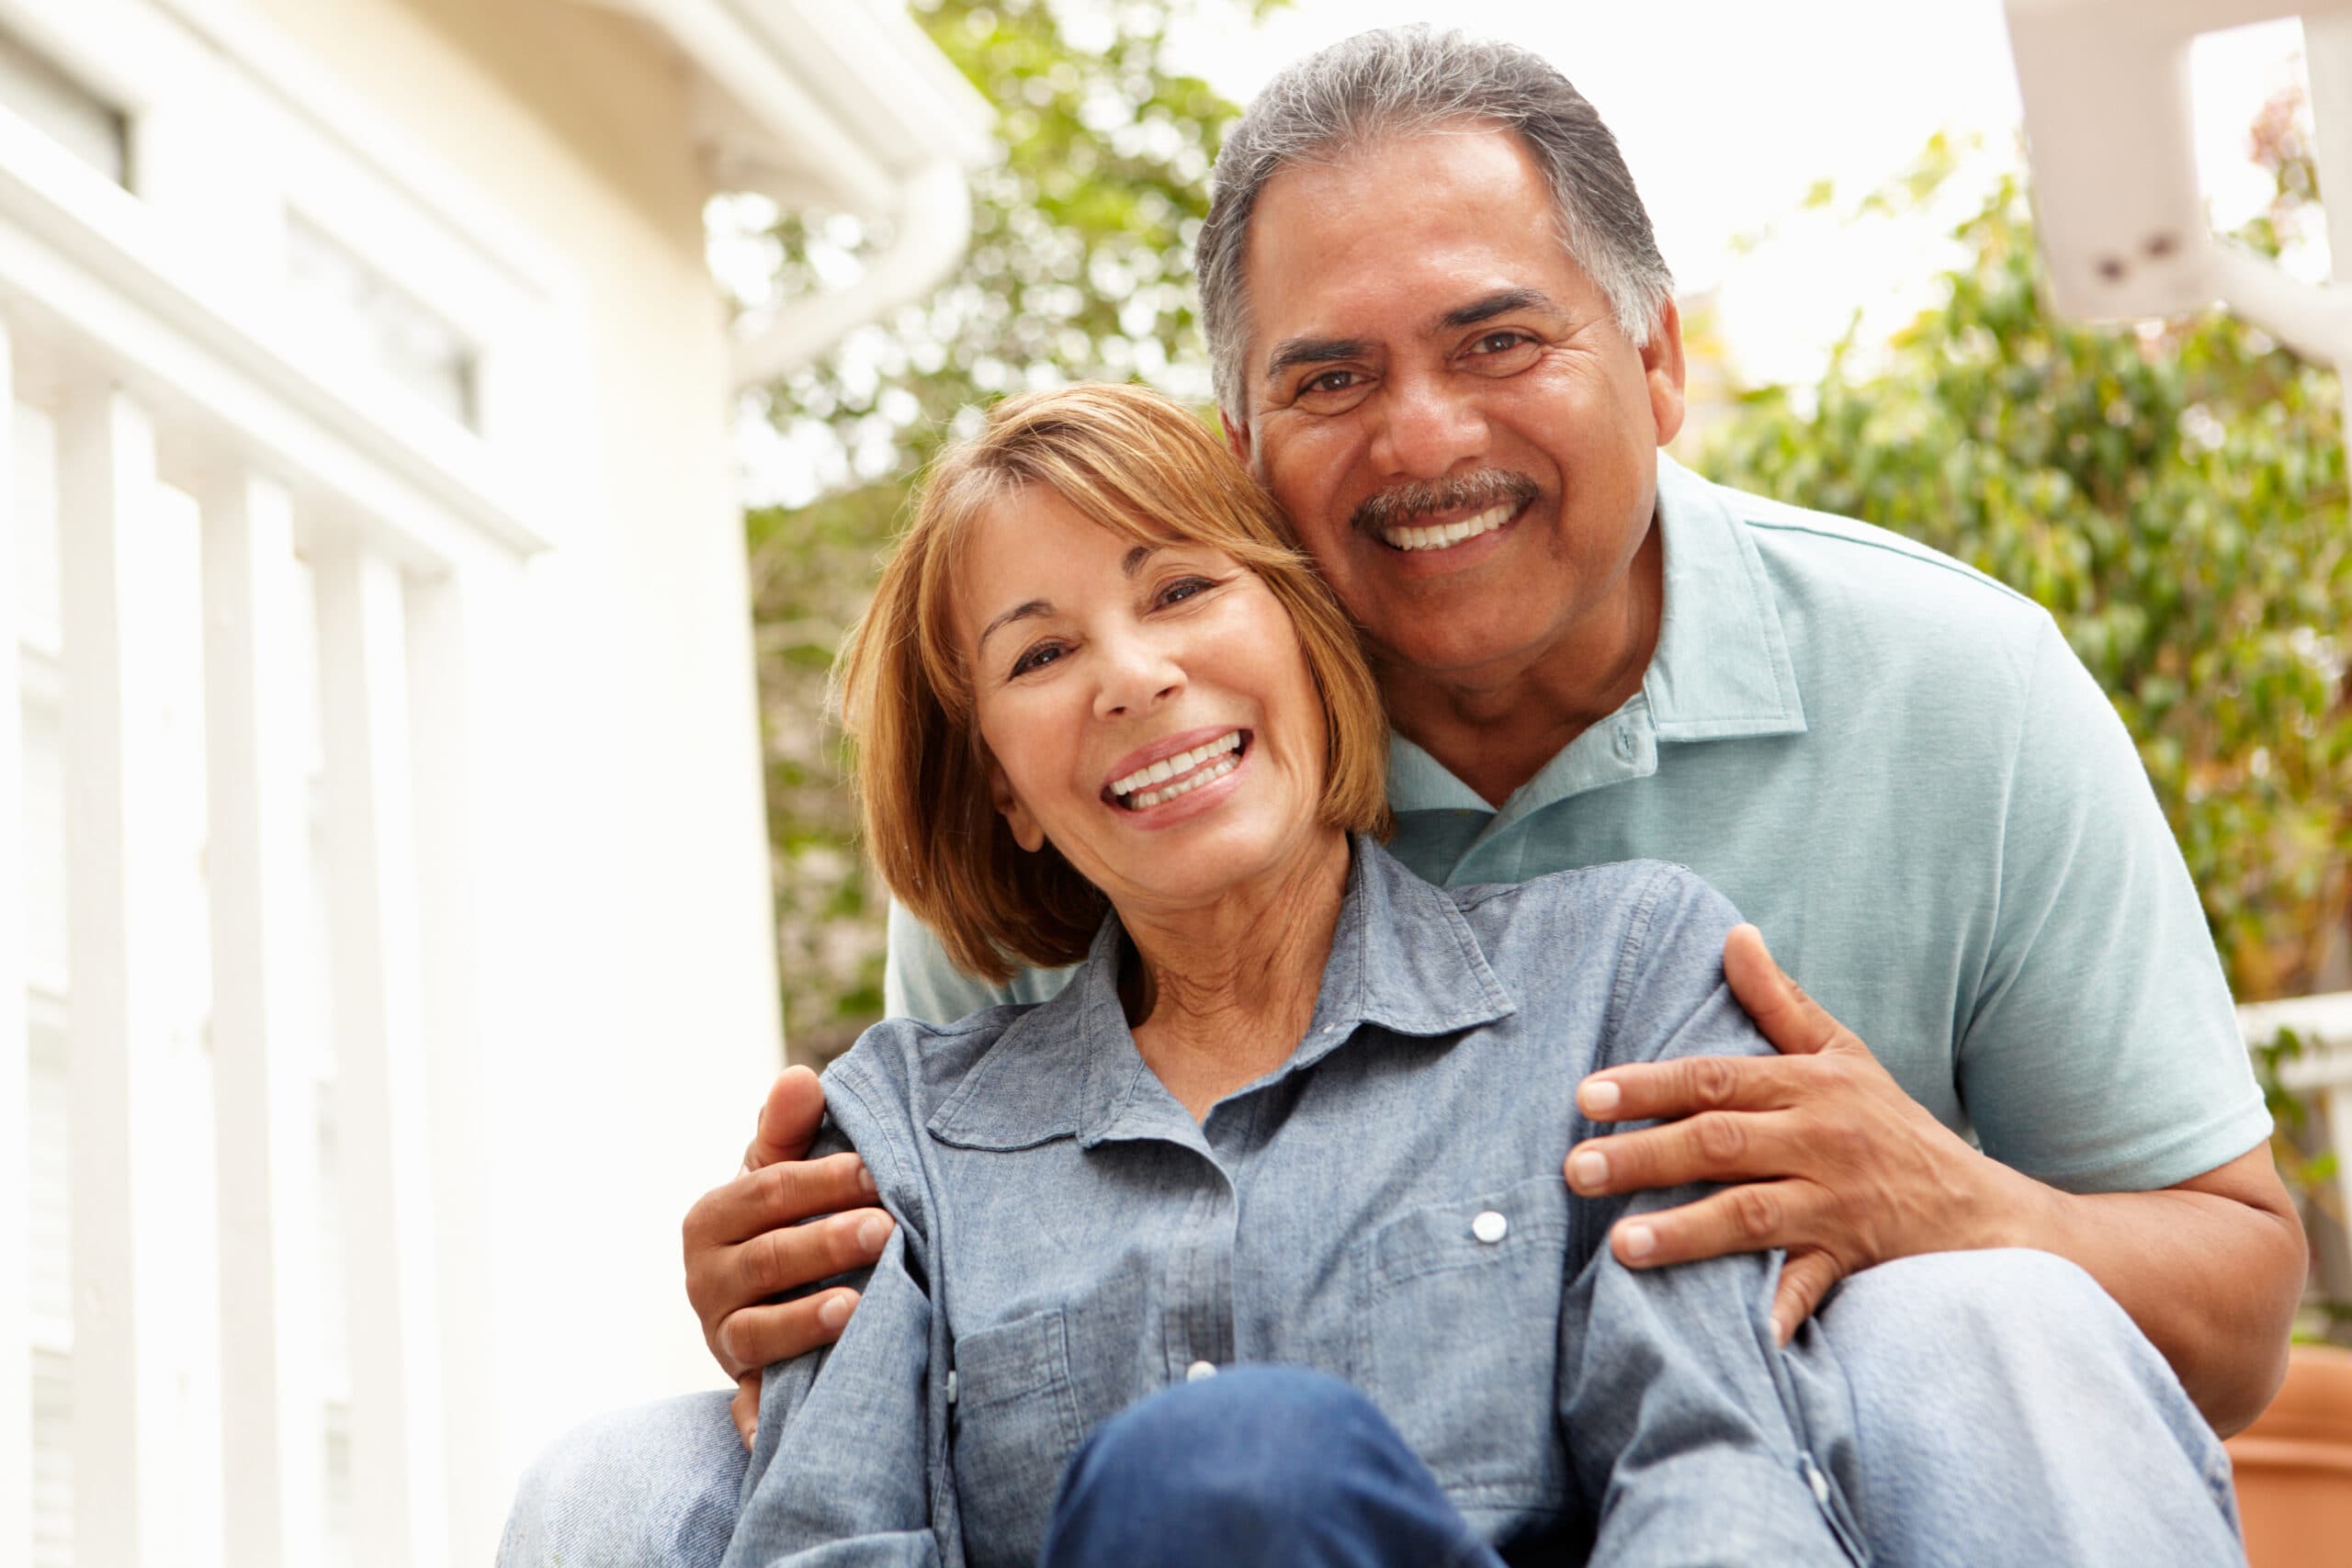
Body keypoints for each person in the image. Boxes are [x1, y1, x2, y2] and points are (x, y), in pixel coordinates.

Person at [683, 23, 2301, 1451]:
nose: (1426, 437)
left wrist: (1956, 1208)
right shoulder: (1148, 781)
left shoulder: (1956, 688)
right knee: (643, 1469)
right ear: (1245, 453)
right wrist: (808, 1298)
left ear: (1657, 360)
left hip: (1795, 1481)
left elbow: (2234, 1315)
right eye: (1330, 379)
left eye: (1499, 342)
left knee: (1978, 1316)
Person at [707, 382, 2236, 1566]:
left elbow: (1716, 1463)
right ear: (1000, 788)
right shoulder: (903, 1132)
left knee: (1243, 1467)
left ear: (1309, 640)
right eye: (1040, 656)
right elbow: (829, 1539)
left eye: (1180, 590)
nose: (1130, 673)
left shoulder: (1621, 973)